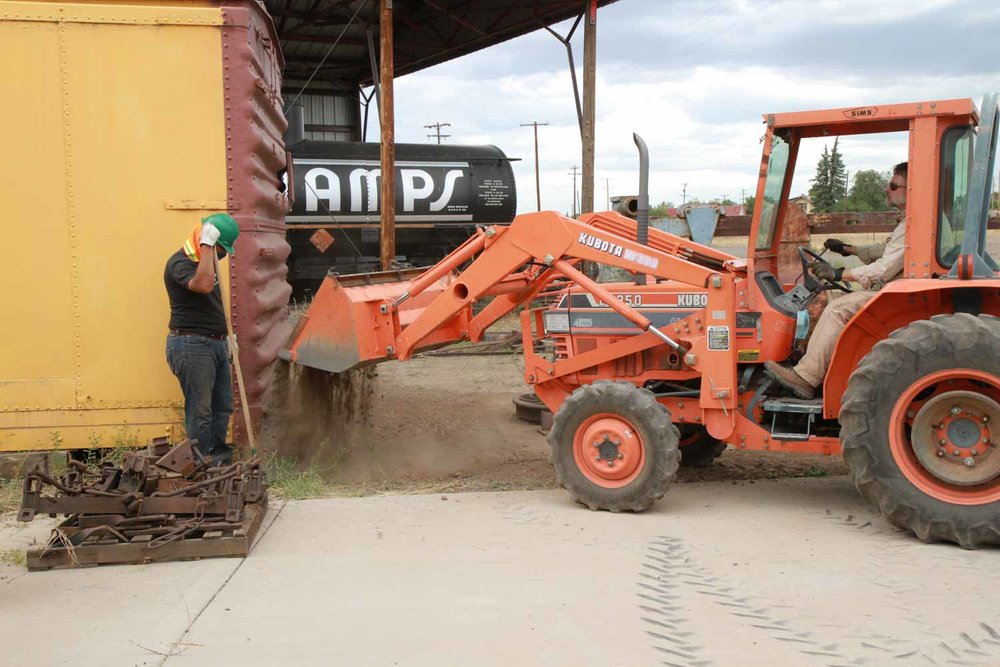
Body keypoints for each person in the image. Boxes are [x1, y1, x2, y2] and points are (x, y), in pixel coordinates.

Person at [765, 162, 908, 399]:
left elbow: (883, 268)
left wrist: (838, 274)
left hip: (898, 294)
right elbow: (885, 250)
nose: (887, 189)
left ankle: (806, 377)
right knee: (834, 296)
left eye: (893, 185)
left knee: (837, 308)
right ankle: (817, 365)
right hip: (897, 289)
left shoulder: (914, 223)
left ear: (911, 189)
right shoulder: (909, 223)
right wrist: (846, 249)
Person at [164, 213, 240, 463]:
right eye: (221, 248)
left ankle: (219, 460)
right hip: (191, 343)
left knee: (222, 406)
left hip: (215, 343)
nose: (223, 255)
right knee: (201, 410)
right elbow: (204, 285)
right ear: (207, 240)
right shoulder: (180, 264)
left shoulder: (209, 262)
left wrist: (226, 336)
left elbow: (213, 304)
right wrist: (207, 246)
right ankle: (199, 463)